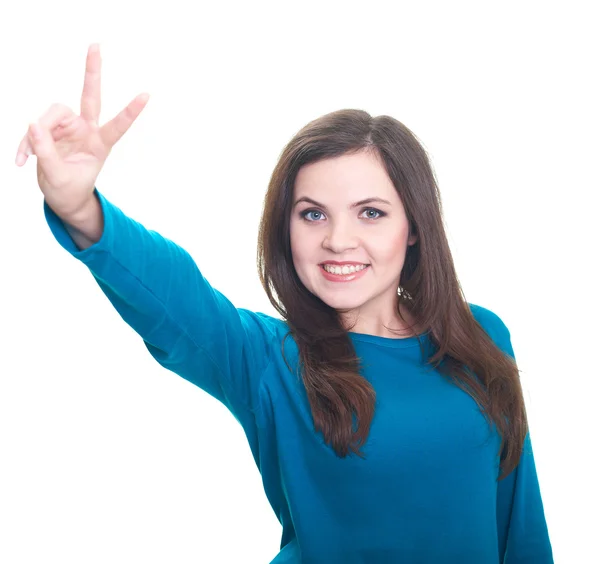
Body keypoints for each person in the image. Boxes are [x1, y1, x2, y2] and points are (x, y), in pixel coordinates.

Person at [15, 44, 553, 564]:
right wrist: (81, 208)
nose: (339, 240)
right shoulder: (272, 359)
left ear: (413, 227)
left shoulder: (480, 335)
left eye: (370, 212)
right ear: (286, 226)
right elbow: (177, 296)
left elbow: (520, 524)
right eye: (313, 214)